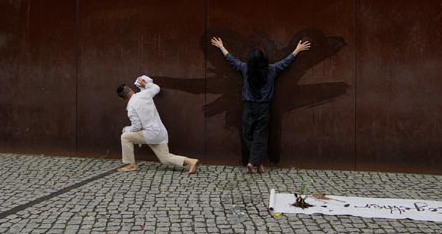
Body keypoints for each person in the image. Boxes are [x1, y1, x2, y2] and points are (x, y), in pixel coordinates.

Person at [210, 37, 311, 173]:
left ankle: (253, 162)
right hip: (263, 108)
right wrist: (297, 50)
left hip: (248, 107)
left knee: (247, 134)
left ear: (251, 60)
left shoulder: (245, 68)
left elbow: (231, 60)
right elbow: (286, 62)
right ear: (264, 60)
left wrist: (221, 46)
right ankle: (256, 162)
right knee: (261, 136)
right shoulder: (272, 69)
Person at [116, 77, 199, 174]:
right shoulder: (145, 94)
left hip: (150, 134)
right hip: (160, 132)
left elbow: (137, 127)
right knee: (165, 158)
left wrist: (126, 129)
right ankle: (191, 161)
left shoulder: (131, 108)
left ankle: (130, 165)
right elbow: (156, 88)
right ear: (131, 90)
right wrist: (146, 84)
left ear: (123, 99)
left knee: (125, 137)